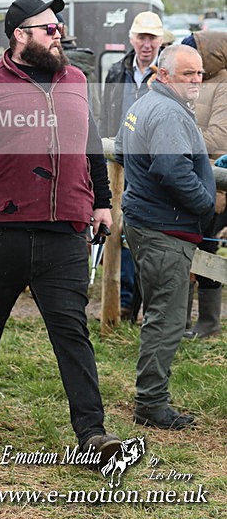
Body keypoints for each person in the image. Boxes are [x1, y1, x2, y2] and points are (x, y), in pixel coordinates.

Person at [0, 0, 122, 468]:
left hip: (65, 227)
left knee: (71, 330)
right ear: (20, 35)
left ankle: (92, 431)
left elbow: (90, 145)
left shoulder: (76, 81)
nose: (59, 33)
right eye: (48, 28)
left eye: (58, 26)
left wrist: (103, 203)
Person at [115, 44, 216, 430]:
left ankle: (152, 397)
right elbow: (173, 172)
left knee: (161, 313)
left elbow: (124, 155)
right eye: (188, 74)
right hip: (164, 229)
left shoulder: (144, 103)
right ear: (164, 74)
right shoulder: (169, 113)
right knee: (167, 318)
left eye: (200, 73)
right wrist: (206, 205)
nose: (196, 80)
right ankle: (151, 405)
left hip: (148, 223)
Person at [99, 11, 164, 320]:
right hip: (122, 162)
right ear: (132, 39)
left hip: (156, 162)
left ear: (161, 40)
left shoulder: (168, 72)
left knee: (149, 233)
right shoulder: (116, 71)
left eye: (152, 37)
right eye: (141, 37)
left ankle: (148, 302)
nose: (146, 44)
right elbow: (107, 116)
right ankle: (124, 303)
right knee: (120, 229)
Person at [181, 31, 227, 338]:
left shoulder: (222, 84)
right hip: (193, 177)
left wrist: (180, 134)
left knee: (207, 246)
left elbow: (221, 136)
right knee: (185, 244)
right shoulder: (196, 83)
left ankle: (208, 323)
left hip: (216, 183)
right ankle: (180, 321)